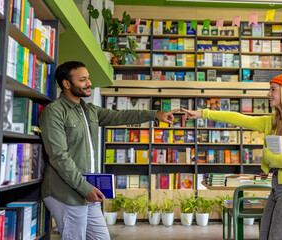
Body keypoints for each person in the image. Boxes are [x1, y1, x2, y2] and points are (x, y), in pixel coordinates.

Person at [39, 61, 179, 240]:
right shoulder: (55, 112)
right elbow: (59, 157)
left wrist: (155, 115)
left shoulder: (88, 110)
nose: (89, 83)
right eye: (83, 80)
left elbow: (120, 115)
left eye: (88, 78)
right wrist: (85, 188)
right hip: (66, 193)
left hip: (88, 192)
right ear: (66, 84)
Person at [182, 72, 282, 240]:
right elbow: (238, 118)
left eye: (273, 90)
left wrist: (269, 157)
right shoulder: (272, 121)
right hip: (278, 186)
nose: (268, 94)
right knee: (264, 236)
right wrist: (203, 114)